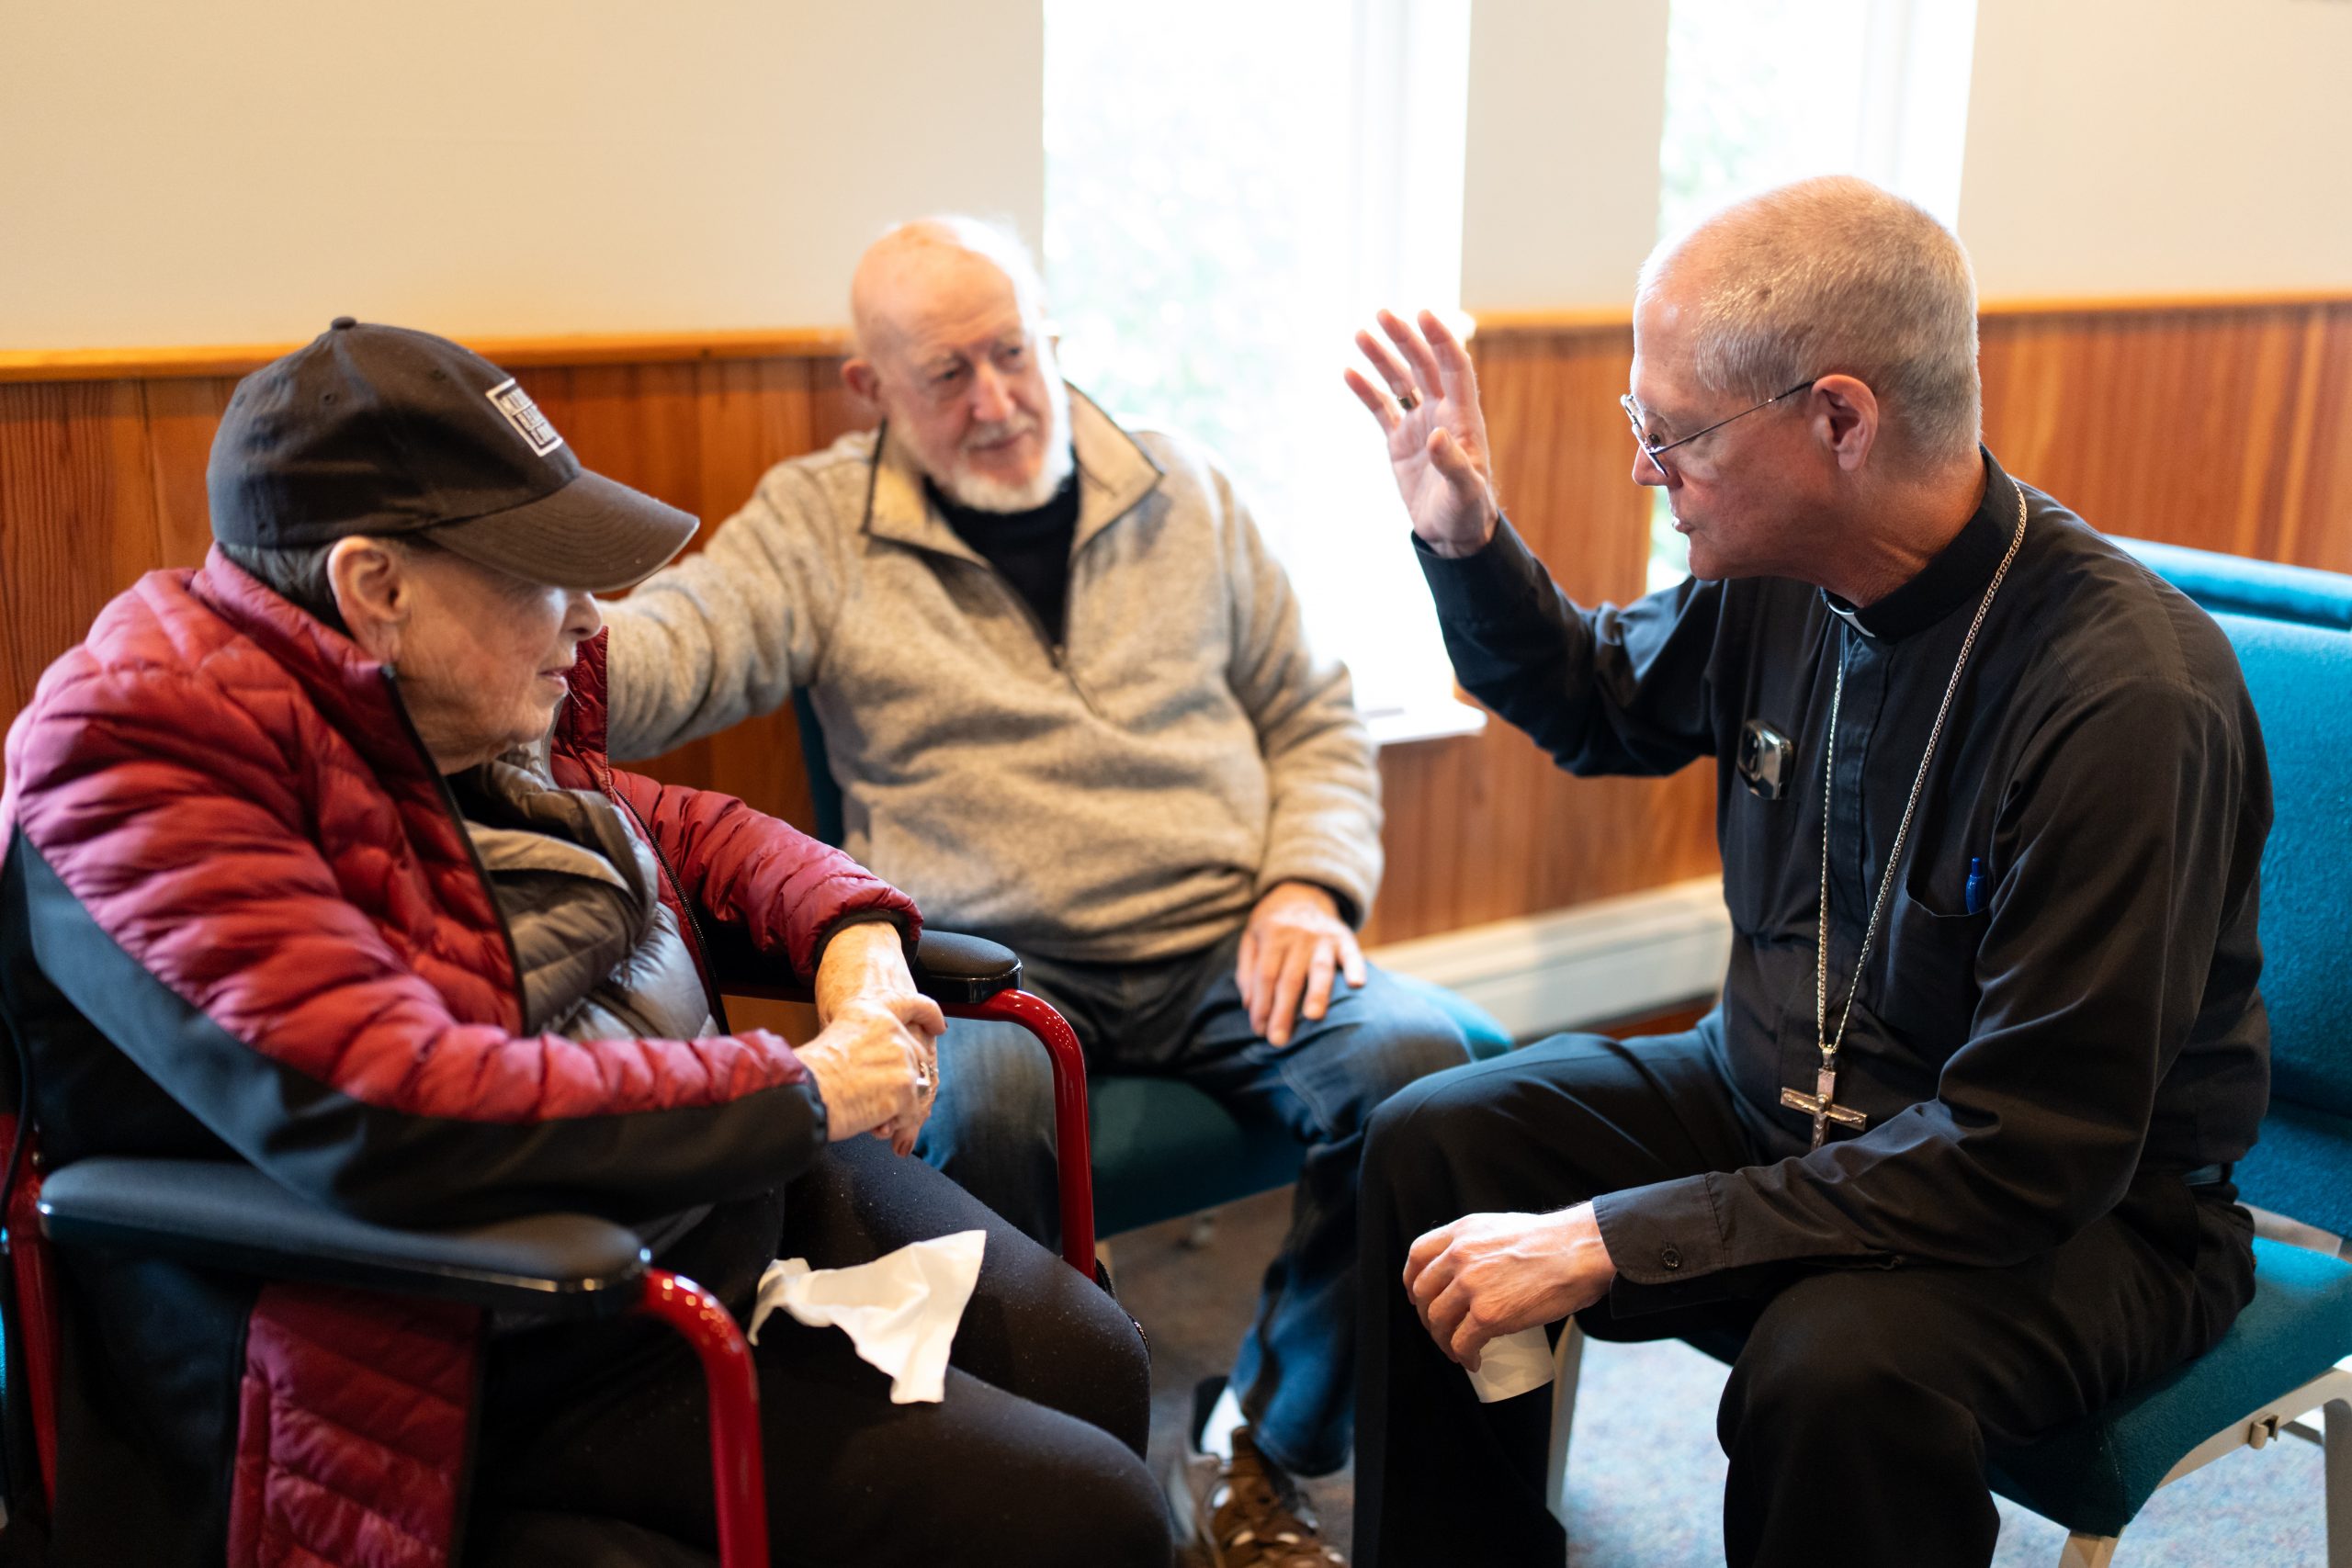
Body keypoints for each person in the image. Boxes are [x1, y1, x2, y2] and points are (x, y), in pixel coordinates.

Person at [0, 320, 1172, 1568]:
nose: (588, 617)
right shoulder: (135, 759)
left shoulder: (426, 690)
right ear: (375, 588)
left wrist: (854, 934)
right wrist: (803, 1088)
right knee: (1078, 1517)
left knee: (1087, 1355)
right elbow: (393, 1113)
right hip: (459, 1329)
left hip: (679, 1198)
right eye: (542, 575)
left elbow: (670, 829)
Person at [1343, 176, 2269, 1568]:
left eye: (1673, 436)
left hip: (2077, 1216)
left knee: (1834, 1373)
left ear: (1839, 419)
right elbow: (1599, 699)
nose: (1646, 470)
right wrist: (1463, 538)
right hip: (1772, 1101)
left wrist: (1617, 1235)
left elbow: (2026, 1160)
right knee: (1436, 1144)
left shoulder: (2125, 698)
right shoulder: (1778, 568)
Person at [601, 217, 1471, 1565]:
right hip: (990, 963)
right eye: (947, 374)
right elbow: (670, 654)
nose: (997, 401)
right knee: (977, 1100)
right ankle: (1061, 1485)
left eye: (1014, 354)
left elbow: (1312, 714)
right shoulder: (819, 524)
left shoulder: (1186, 487)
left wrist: (1306, 885)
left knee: (1422, 1065)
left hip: (1226, 940)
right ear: (870, 389)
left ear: (1055, 342)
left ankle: (1266, 1439)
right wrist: (534, 631)